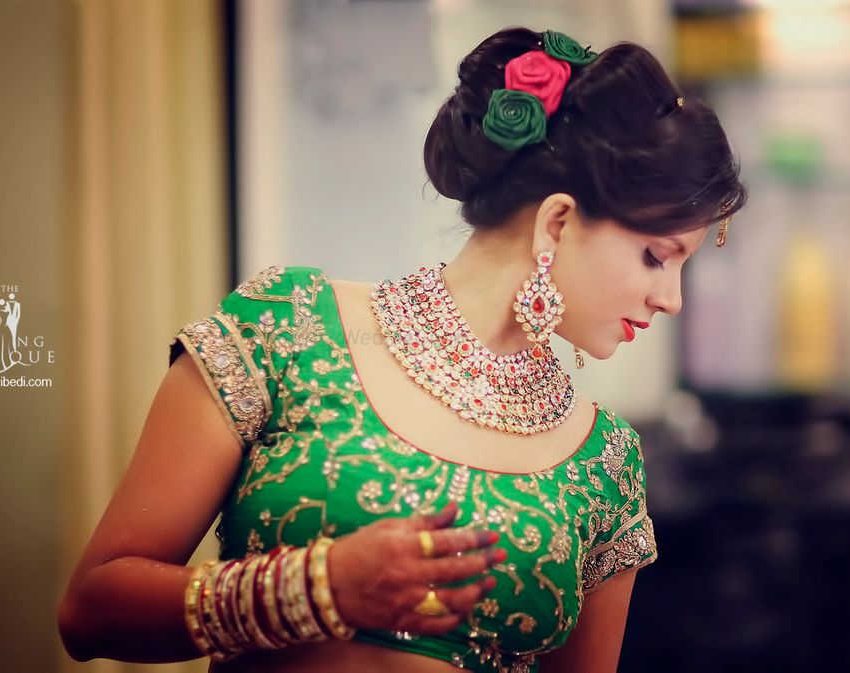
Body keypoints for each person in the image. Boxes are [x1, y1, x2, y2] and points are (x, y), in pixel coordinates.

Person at [58, 27, 746, 673]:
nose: (672, 298)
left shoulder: (605, 461)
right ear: (558, 221)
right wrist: (316, 587)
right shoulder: (288, 329)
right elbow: (91, 609)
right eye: (657, 255)